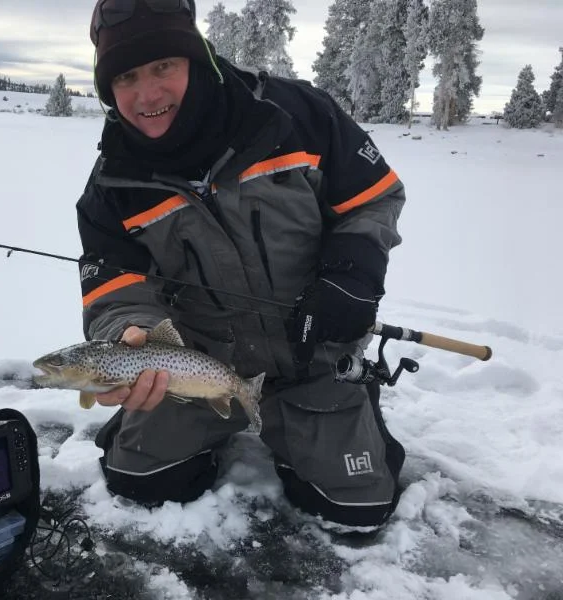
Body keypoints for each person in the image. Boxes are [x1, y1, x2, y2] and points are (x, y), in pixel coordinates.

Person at [77, 0, 407, 528]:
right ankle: (196, 429)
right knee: (141, 483)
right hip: (194, 365)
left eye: (164, 66)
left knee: (355, 508)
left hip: (312, 354)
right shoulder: (112, 184)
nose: (148, 94)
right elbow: (112, 284)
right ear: (107, 91)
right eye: (126, 77)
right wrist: (130, 330)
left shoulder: (296, 114)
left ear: (198, 57)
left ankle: (346, 404)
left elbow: (375, 197)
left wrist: (354, 272)